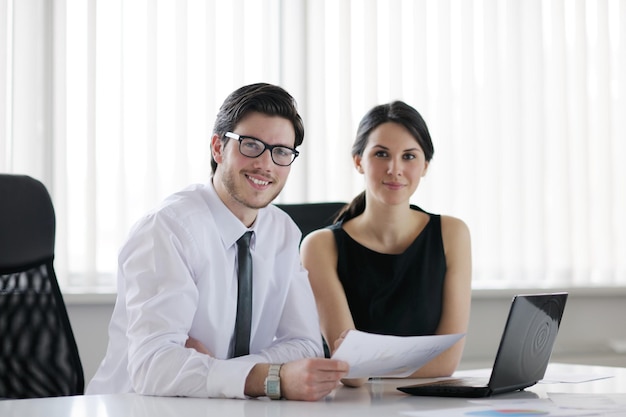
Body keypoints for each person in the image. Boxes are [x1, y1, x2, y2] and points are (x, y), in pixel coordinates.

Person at [87, 83, 348, 400]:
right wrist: (267, 377)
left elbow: (305, 345)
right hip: (139, 407)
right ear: (217, 148)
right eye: (251, 145)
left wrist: (222, 370)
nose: (266, 164)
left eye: (281, 152)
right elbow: (153, 367)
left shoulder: (282, 231)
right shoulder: (167, 230)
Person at [300, 100, 472, 387]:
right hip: (356, 407)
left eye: (409, 156)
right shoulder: (320, 246)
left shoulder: (452, 234)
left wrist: (370, 363)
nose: (394, 169)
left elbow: (446, 363)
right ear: (358, 161)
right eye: (381, 154)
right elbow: (352, 373)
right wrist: (366, 367)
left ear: (425, 166)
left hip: (425, 406)